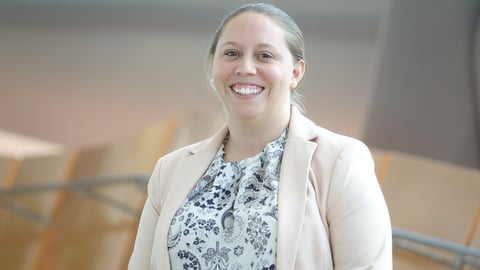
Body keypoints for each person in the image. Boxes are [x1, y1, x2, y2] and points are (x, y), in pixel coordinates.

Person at [128, 2, 392, 269]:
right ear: (213, 68)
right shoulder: (169, 171)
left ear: (295, 72)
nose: (245, 68)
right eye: (231, 53)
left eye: (264, 55)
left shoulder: (339, 161)